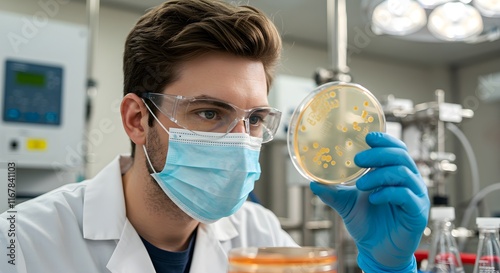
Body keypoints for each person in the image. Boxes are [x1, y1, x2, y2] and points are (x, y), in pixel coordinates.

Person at [0, 0, 430, 272]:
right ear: (136, 119)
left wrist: (389, 268)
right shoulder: (22, 244)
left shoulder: (259, 234)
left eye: (256, 119)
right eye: (209, 112)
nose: (240, 141)